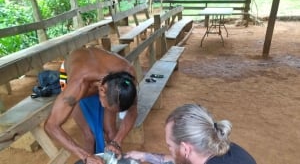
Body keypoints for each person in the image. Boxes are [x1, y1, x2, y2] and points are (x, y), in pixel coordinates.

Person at [44, 47, 138, 164]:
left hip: (95, 75)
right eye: (107, 107)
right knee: (90, 135)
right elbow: (51, 125)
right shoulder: (78, 85)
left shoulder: (127, 76)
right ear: (102, 90)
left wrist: (117, 141)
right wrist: (85, 156)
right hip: (71, 76)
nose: (105, 109)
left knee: (111, 134)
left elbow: (133, 110)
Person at [125, 104, 256, 164]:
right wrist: (144, 156)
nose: (169, 149)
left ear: (186, 148)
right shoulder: (219, 143)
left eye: (170, 146)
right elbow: (180, 158)